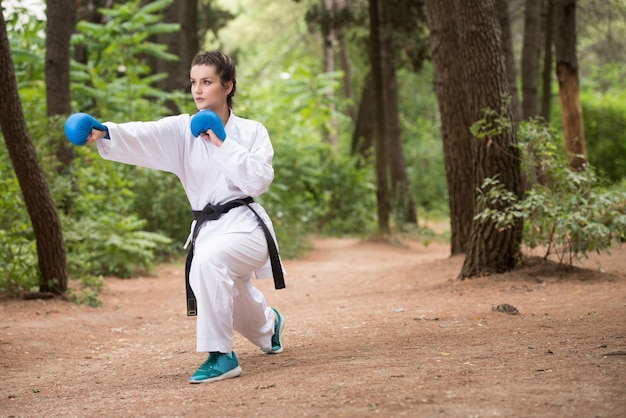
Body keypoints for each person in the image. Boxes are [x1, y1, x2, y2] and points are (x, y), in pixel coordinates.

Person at [64, 51, 286, 384]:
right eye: (194, 82)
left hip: (247, 227)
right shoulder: (183, 130)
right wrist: (105, 131)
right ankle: (268, 326)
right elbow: (144, 135)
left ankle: (220, 355)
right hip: (210, 230)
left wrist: (222, 142)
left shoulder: (252, 132)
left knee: (207, 265)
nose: (198, 90)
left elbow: (259, 181)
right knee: (227, 287)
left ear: (228, 86)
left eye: (207, 82)